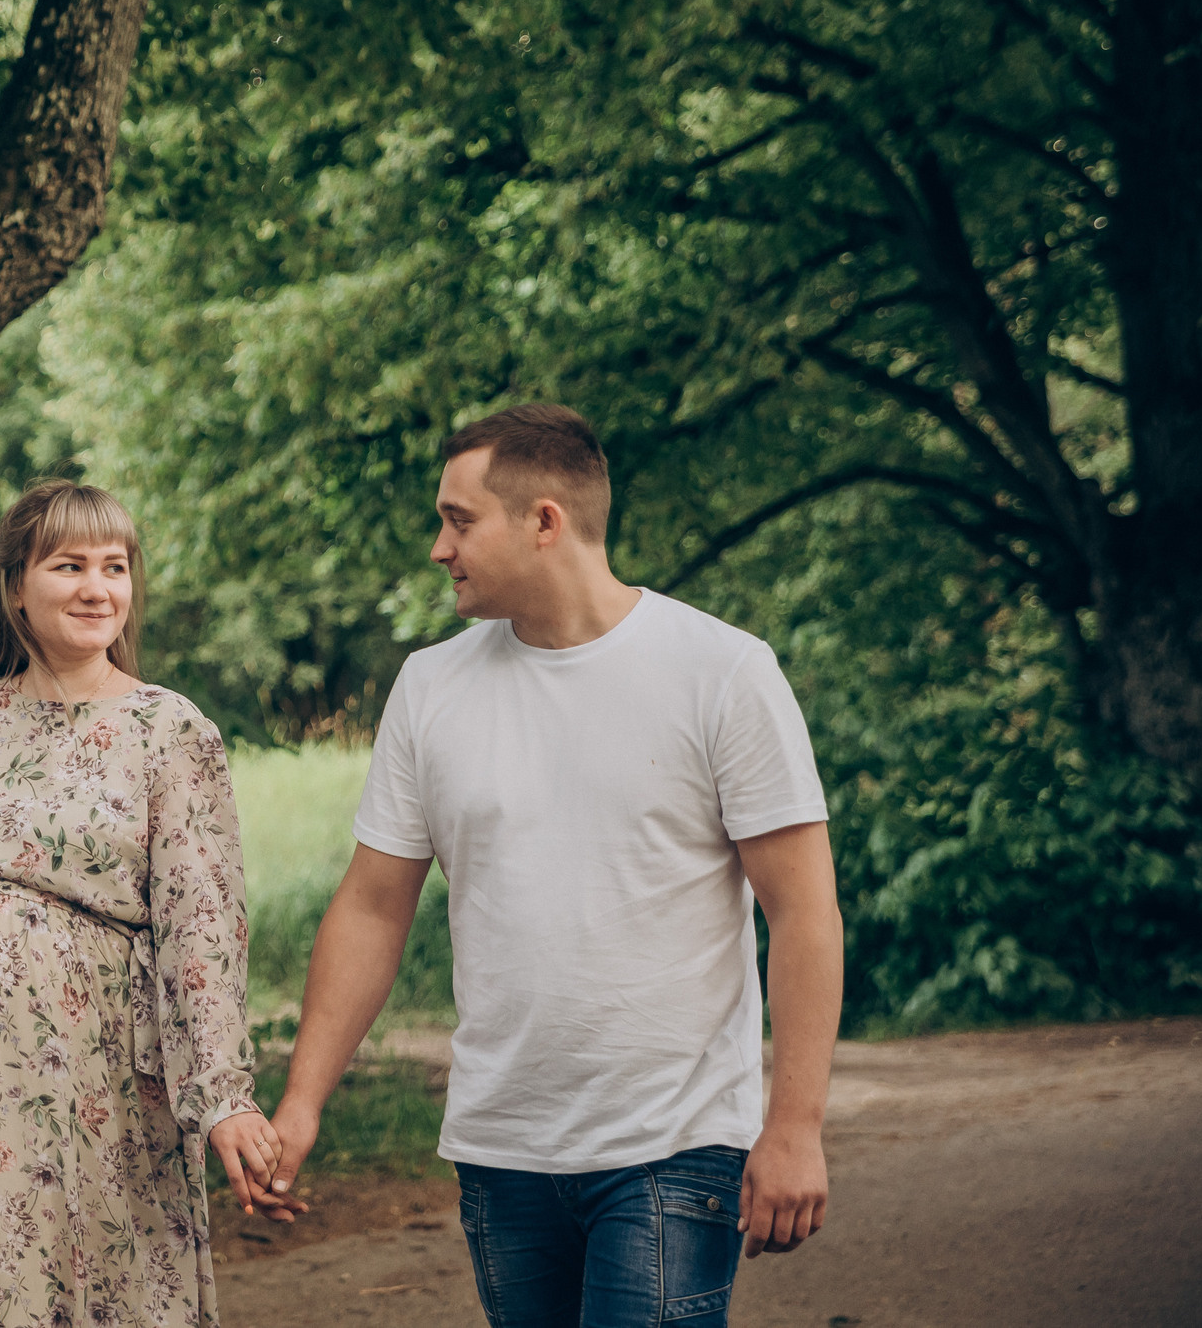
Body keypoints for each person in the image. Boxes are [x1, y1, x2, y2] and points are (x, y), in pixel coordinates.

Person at [255, 404, 843, 1328]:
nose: (439, 548)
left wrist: (795, 1125)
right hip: (503, 1148)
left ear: (544, 521)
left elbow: (803, 910)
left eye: (458, 519)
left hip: (673, 1144)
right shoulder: (431, 686)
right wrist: (301, 1101)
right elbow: (374, 906)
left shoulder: (722, 671)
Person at [0, 479, 284, 1327]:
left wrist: (222, 1092)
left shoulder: (169, 728)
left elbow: (203, 926)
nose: (98, 587)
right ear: (14, 586)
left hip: (97, 1085)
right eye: (69, 565)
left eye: (116, 566)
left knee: (96, 1295)